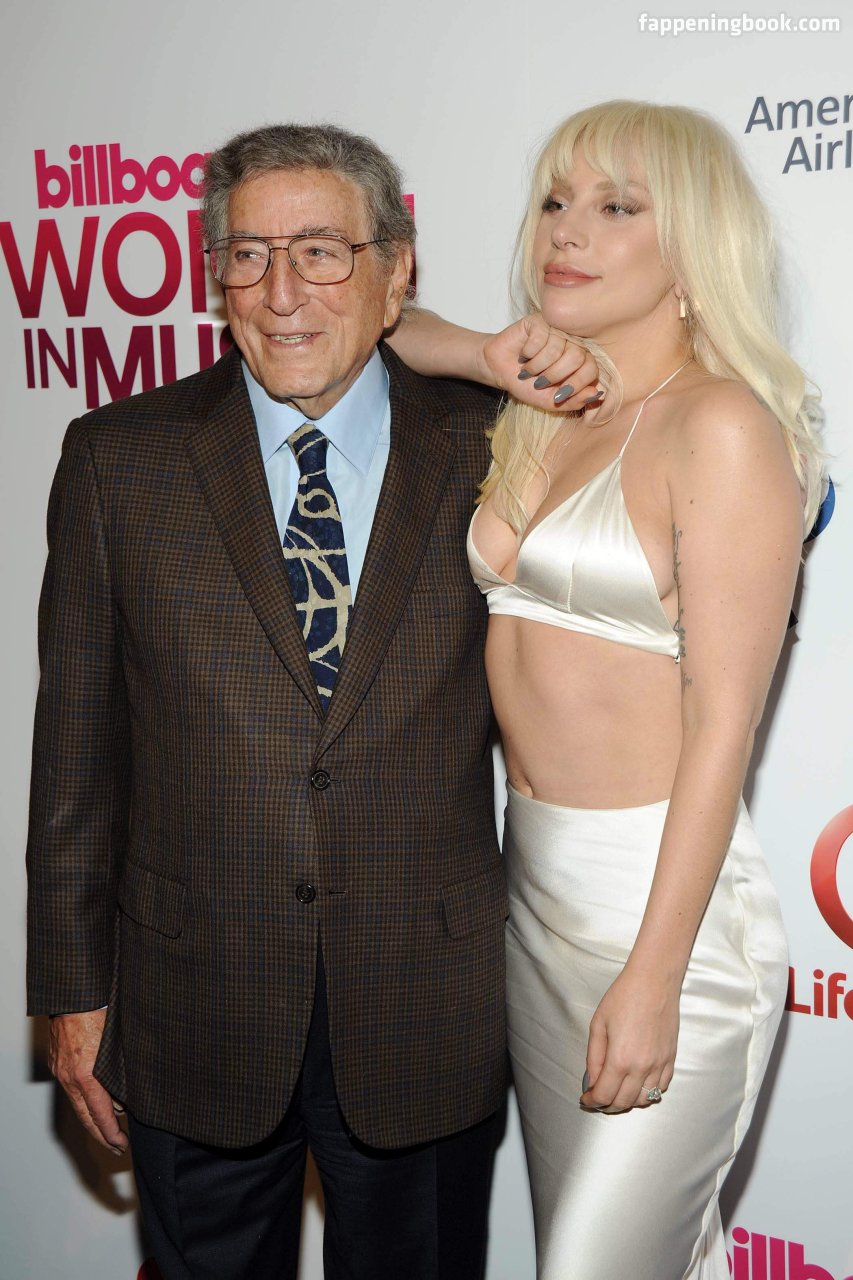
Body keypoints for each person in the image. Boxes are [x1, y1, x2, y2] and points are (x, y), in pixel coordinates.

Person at [25, 122, 600, 1280]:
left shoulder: (498, 450)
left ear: (397, 269)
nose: (281, 292)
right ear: (215, 277)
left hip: (424, 1001)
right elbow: (77, 750)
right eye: (248, 255)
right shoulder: (117, 459)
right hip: (192, 1002)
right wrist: (70, 986)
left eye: (322, 252)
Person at [388, 99, 823, 1280]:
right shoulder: (543, 409)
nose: (565, 231)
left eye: (616, 206)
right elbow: (381, 328)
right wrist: (489, 352)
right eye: (553, 201)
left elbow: (723, 724)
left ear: (689, 252)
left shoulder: (720, 426)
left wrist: (654, 974)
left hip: (664, 914)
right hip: (533, 897)